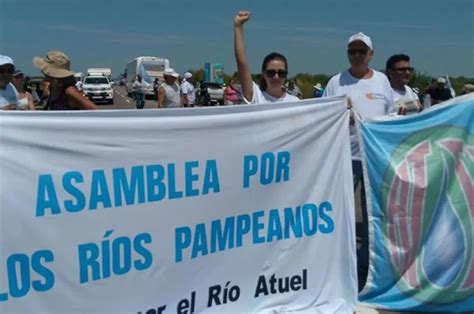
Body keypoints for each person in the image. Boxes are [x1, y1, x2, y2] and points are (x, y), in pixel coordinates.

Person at [323, 32, 396, 292]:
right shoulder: (336, 82)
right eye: (352, 51)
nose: (356, 56)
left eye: (361, 52)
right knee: (338, 213)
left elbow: (391, 118)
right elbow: (322, 118)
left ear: (371, 55)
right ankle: (337, 265)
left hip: (373, 158)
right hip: (343, 156)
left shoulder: (382, 81)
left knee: (371, 216)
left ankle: (365, 268)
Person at [234, 10, 299, 104]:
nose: (276, 77)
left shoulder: (294, 102)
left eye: (281, 73)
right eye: (271, 72)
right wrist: (238, 26)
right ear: (264, 74)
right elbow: (241, 61)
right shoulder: (256, 97)